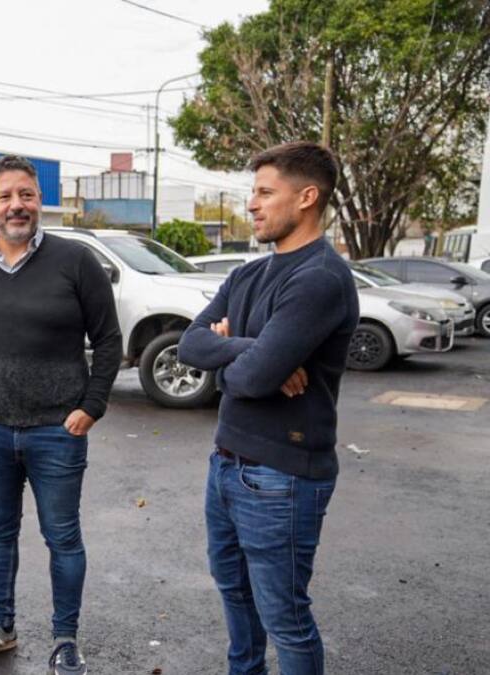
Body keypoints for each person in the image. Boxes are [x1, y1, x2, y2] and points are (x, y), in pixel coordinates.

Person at [178, 142, 358, 675]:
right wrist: (252, 348)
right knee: (234, 592)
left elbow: (253, 380)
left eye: (263, 192)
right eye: (251, 193)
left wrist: (245, 357)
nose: (251, 205)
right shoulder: (247, 275)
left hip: (283, 475)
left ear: (306, 197)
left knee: (286, 617)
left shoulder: (320, 278)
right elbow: (188, 345)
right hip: (227, 462)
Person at [0, 155, 122, 675]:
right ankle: (1, 627)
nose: (16, 205)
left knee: (62, 537)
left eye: (25, 194)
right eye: (5, 196)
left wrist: (91, 407)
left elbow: (108, 339)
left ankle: (65, 639)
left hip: (57, 431)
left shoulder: (76, 261)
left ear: (40, 200)